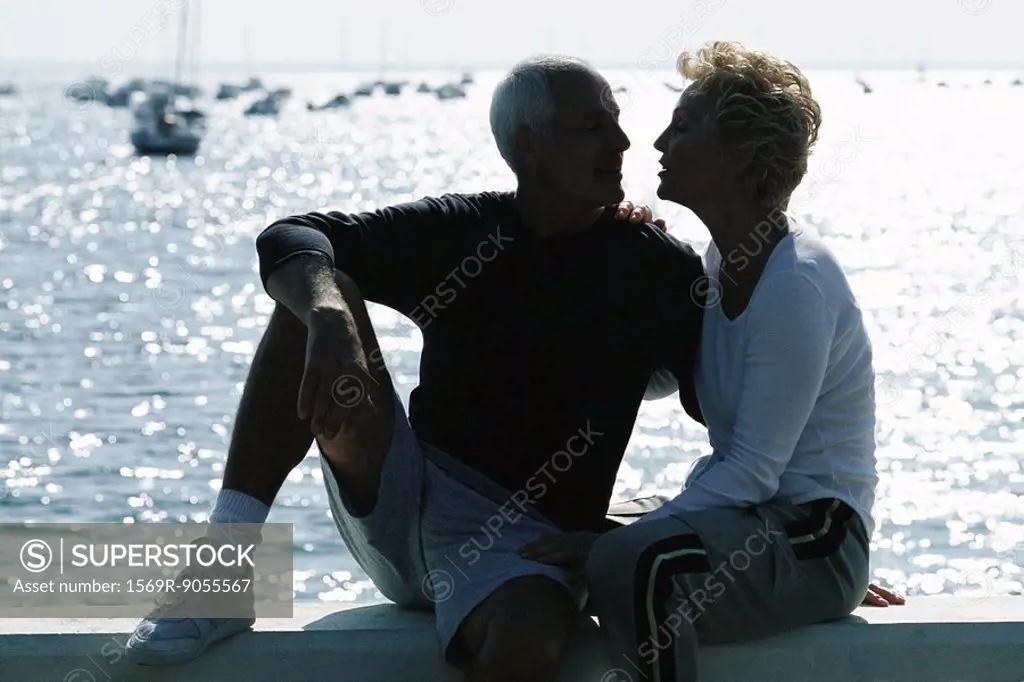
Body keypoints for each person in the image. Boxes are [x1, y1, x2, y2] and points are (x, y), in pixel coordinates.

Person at [124, 55, 709, 682]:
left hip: (525, 548)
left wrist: (645, 530)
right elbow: (292, 235)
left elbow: (730, 418)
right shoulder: (462, 230)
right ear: (529, 145)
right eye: (594, 126)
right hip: (401, 504)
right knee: (316, 291)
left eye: (616, 121)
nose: (623, 141)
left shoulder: (658, 269)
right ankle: (224, 565)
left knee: (531, 642)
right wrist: (327, 315)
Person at [518, 41, 904, 682]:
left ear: (739, 156)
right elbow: (658, 381)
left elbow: (753, 471)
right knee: (567, 525)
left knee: (632, 561)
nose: (658, 142)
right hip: (758, 529)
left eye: (685, 126)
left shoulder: (794, 282)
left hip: (814, 538)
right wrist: (624, 259)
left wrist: (817, 573)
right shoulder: (721, 262)